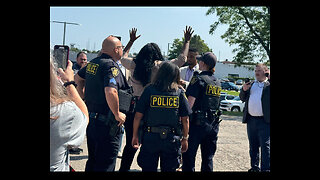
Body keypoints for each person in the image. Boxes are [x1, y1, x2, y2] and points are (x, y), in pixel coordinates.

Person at [118, 26, 193, 171]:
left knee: (131, 144)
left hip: (136, 108)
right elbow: (182, 59)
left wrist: (130, 42)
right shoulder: (162, 66)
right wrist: (186, 41)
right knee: (155, 142)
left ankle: (124, 169)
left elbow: (122, 57)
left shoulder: (135, 64)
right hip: (155, 110)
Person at [74, 35, 128, 172]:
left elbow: (77, 79)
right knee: (105, 164)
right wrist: (117, 114)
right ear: (116, 50)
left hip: (92, 121)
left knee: (93, 161)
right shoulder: (110, 66)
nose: (122, 50)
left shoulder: (93, 63)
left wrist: (83, 98)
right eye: (121, 47)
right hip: (107, 123)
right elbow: (111, 91)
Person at [131, 62, 191, 172]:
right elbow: (185, 119)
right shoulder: (179, 93)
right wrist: (185, 138)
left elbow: (138, 116)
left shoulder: (149, 90)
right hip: (171, 139)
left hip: (150, 138)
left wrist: (135, 135)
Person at [182, 52, 222, 172]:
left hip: (197, 125)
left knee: (189, 157)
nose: (198, 62)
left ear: (203, 64)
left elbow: (189, 105)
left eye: (200, 61)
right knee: (208, 158)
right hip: (213, 124)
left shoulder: (198, 79)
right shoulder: (217, 82)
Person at [50, 56, 88, 172]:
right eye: (81, 59)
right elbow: (83, 116)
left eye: (85, 59)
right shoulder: (62, 111)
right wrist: (69, 83)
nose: (83, 61)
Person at [239, 63, 270, 172]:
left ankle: (265, 169)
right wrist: (244, 89)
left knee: (265, 147)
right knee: (253, 146)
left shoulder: (268, 85)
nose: (256, 73)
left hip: (264, 121)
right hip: (251, 120)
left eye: (259, 71)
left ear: (265, 72)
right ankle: (254, 167)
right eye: (256, 71)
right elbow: (242, 98)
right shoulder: (251, 85)